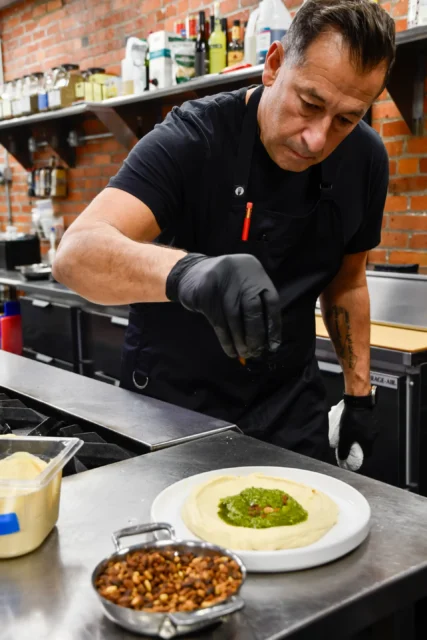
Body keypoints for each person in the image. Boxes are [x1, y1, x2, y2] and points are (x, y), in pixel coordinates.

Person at [53, 0, 395, 468]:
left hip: (290, 411)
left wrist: (359, 397)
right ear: (274, 65)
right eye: (310, 103)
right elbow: (75, 254)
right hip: (172, 412)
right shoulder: (193, 138)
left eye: (346, 119)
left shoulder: (365, 159)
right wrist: (188, 273)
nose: (317, 138)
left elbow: (348, 282)